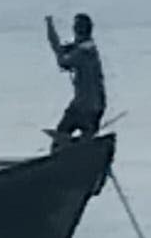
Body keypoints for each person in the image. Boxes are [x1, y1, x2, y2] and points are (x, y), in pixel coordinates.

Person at [45, 13, 106, 150]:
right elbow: (64, 50)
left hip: (82, 106)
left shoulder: (81, 52)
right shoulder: (90, 49)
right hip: (98, 107)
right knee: (86, 141)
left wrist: (50, 27)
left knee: (59, 139)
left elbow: (62, 61)